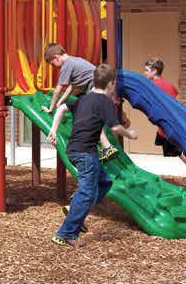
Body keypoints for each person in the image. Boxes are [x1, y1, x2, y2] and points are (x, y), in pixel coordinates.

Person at [48, 64, 138, 247]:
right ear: (111, 84)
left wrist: (53, 130)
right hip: (84, 153)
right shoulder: (105, 102)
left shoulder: (84, 98)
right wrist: (130, 134)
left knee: (104, 183)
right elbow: (115, 127)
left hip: (77, 150)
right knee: (87, 193)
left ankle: (76, 210)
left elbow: (62, 107)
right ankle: (65, 234)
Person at [41, 43, 119, 161]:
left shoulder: (67, 65)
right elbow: (72, 86)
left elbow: (58, 90)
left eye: (53, 64)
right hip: (103, 86)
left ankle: (107, 146)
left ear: (56, 57)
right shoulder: (76, 61)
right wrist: (60, 102)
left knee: (91, 119)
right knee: (96, 117)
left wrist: (51, 108)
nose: (54, 67)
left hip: (95, 87)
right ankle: (107, 145)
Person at [144, 58, 186, 181]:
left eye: (147, 70)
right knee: (172, 146)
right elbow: (174, 96)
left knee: (174, 148)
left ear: (155, 71)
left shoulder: (154, 86)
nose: (144, 73)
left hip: (167, 123)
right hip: (168, 122)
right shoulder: (167, 84)